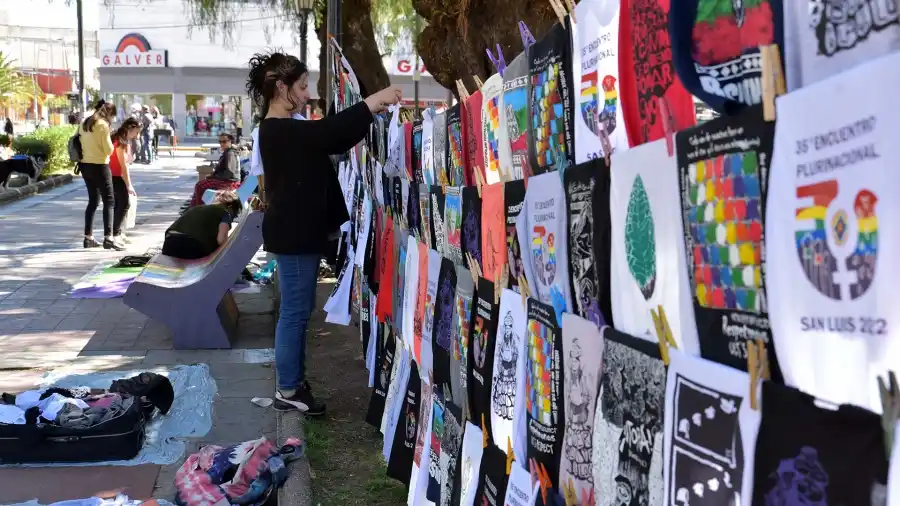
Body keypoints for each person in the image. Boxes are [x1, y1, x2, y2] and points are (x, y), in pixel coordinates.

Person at [246, 50, 402, 415]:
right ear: (280, 88)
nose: (307, 93)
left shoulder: (282, 128)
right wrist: (372, 102)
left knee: (296, 311)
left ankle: (293, 384)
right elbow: (329, 134)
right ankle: (288, 388)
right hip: (295, 233)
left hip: (295, 231)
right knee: (295, 313)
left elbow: (326, 134)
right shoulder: (281, 130)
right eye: (301, 86)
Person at [78, 99, 125, 251]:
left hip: (85, 165)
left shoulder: (84, 123)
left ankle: (88, 237)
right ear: (108, 113)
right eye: (113, 116)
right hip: (100, 166)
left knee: (93, 201)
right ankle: (108, 238)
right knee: (109, 201)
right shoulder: (103, 125)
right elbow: (109, 150)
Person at [162, 192, 243, 260]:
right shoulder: (226, 214)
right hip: (191, 245)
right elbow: (221, 241)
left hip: (170, 241)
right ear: (231, 207)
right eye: (235, 214)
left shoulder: (197, 208)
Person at [188, 133, 241, 206]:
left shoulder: (230, 153)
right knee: (201, 184)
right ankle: (193, 206)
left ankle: (199, 207)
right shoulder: (227, 152)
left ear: (230, 141)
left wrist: (214, 177)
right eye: (220, 142)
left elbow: (229, 173)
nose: (222, 144)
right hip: (226, 180)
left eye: (224, 141)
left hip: (230, 183)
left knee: (200, 185)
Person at [109, 118, 140, 244]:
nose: (136, 136)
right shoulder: (120, 142)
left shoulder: (123, 140)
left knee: (119, 205)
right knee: (124, 204)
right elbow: (123, 165)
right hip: (115, 176)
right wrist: (129, 185)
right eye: (136, 132)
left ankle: (118, 232)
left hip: (116, 175)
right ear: (130, 129)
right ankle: (115, 234)